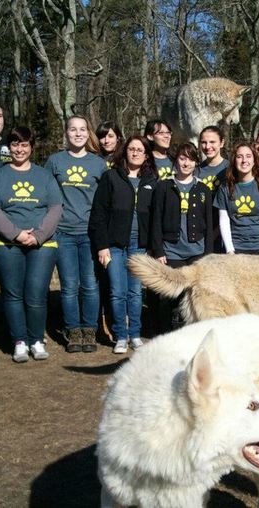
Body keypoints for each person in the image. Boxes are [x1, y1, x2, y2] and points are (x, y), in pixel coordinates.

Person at [0, 126, 62, 363]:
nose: (20, 149)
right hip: (6, 244)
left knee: (37, 294)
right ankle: (19, 341)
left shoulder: (44, 176)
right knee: (13, 294)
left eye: (24, 145)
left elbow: (56, 207)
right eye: (15, 145)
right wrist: (16, 234)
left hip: (42, 244)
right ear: (10, 147)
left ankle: (36, 340)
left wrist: (37, 235)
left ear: (31, 148)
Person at [89, 135, 158, 354]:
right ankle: (120, 336)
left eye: (140, 150)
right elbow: (98, 215)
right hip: (114, 246)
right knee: (117, 292)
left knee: (135, 292)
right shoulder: (111, 177)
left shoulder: (152, 181)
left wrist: (152, 247)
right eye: (131, 149)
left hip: (140, 246)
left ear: (146, 155)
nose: (135, 152)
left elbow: (155, 217)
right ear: (125, 152)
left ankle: (135, 335)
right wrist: (102, 246)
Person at [46, 115, 107, 353]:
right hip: (63, 233)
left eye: (82, 129)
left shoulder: (98, 164)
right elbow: (46, 195)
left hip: (90, 234)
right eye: (73, 129)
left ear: (88, 133)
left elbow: (104, 202)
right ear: (66, 133)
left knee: (90, 285)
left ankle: (89, 329)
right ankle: (73, 331)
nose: (78, 133)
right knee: (69, 286)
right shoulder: (55, 161)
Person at [150, 143, 214, 331]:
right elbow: (156, 221)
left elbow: (209, 224)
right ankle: (167, 331)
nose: (186, 163)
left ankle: (192, 330)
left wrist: (208, 254)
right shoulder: (163, 187)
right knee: (171, 294)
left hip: (197, 251)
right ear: (176, 161)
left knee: (194, 295)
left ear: (196, 163)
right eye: (182, 158)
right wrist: (159, 250)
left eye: (191, 159)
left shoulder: (203, 189)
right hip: (171, 250)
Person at [213, 141, 259, 255]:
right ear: (234, 161)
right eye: (239, 157)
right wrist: (230, 250)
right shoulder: (225, 188)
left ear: (254, 160)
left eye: (248, 156)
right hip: (235, 248)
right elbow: (224, 221)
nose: (244, 160)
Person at [198, 125, 228, 193]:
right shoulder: (196, 171)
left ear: (221, 143)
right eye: (204, 142)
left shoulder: (230, 168)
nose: (208, 146)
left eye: (212, 142)